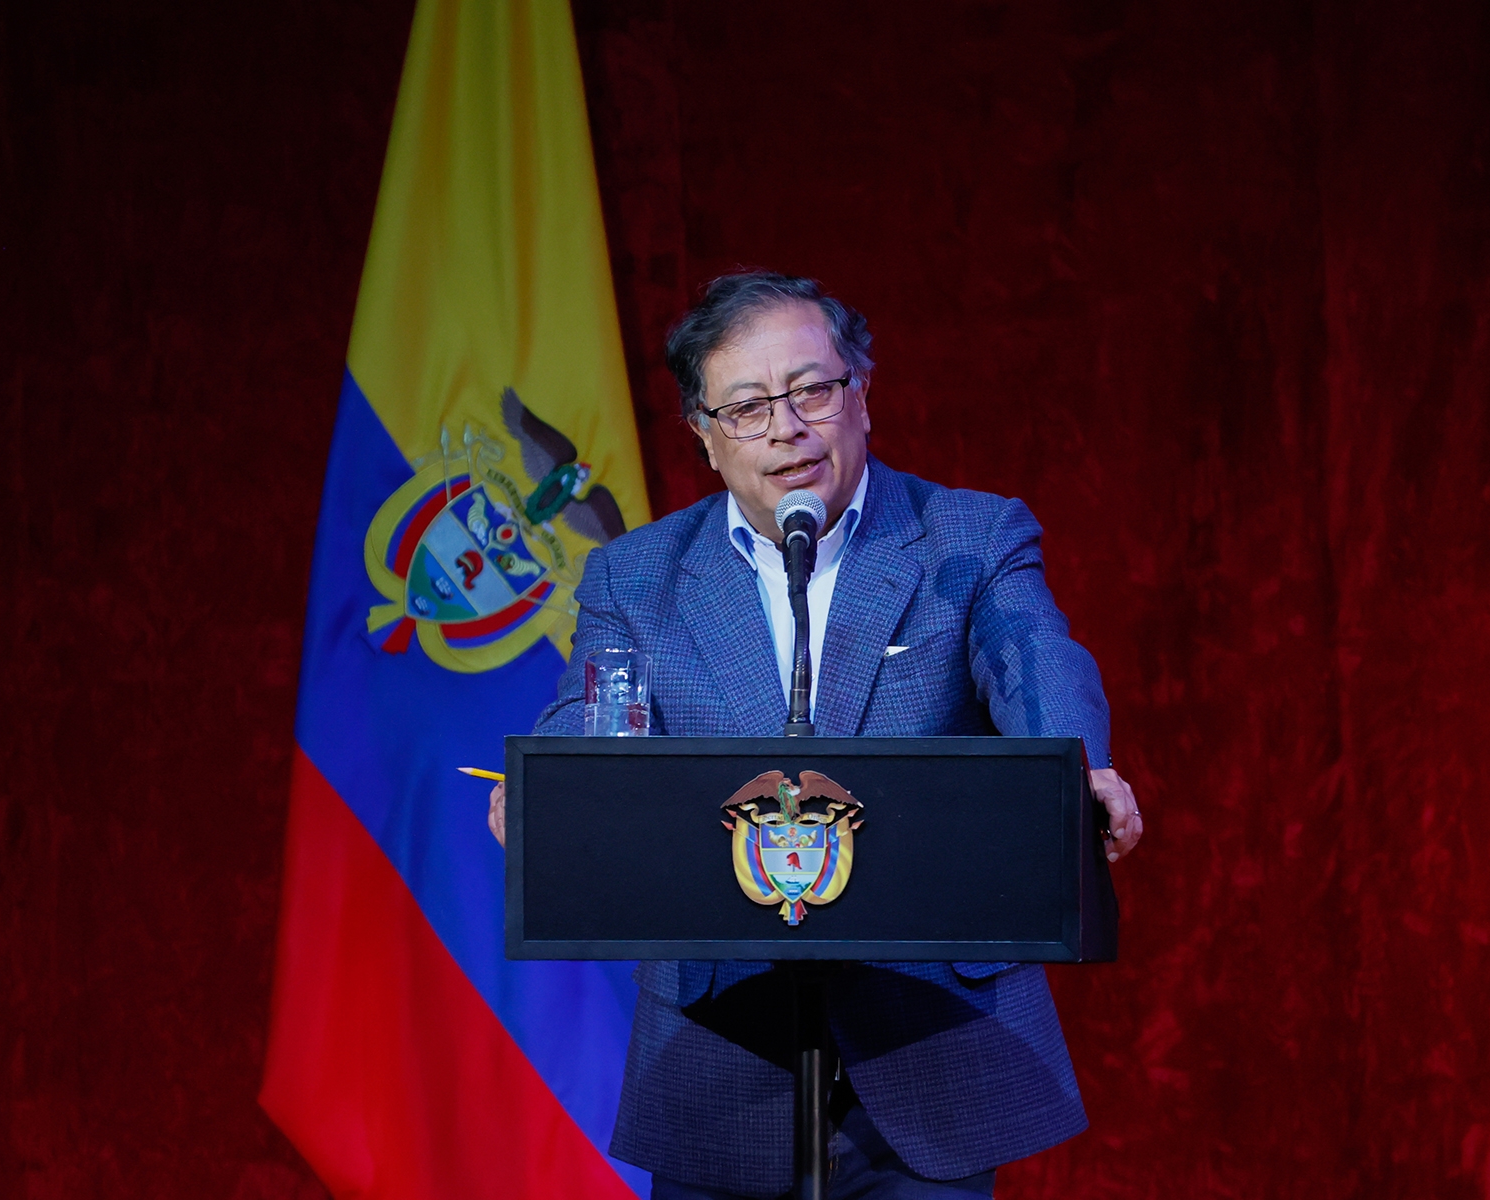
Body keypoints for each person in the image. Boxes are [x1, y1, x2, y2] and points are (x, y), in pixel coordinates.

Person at [488, 272, 1143, 1199]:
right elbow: (592, 709)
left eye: (812, 391)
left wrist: (1085, 765)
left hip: (926, 1033)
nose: (786, 427)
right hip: (723, 1039)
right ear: (705, 439)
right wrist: (552, 789)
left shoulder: (967, 534)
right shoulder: (634, 575)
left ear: (862, 396)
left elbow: (1033, 655)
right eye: (748, 407)